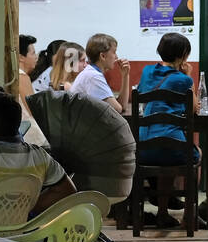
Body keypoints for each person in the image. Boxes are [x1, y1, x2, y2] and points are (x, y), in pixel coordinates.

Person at [136, 32, 201, 229]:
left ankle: (162, 214)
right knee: (196, 152)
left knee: (168, 149)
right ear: (183, 55)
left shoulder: (147, 72)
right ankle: (189, 215)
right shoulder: (183, 80)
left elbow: (140, 92)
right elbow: (194, 108)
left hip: (144, 149)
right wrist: (188, 77)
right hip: (172, 147)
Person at [73, 33, 131, 115]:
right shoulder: (93, 76)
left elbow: (122, 106)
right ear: (103, 56)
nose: (116, 57)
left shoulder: (92, 73)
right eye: (114, 52)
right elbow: (117, 109)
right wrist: (119, 107)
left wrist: (125, 76)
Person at [17, 34, 37, 99]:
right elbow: (31, 108)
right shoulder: (22, 77)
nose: (36, 57)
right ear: (21, 57)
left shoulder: (16, 75)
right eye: (33, 53)